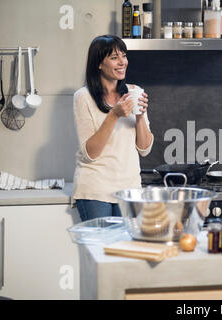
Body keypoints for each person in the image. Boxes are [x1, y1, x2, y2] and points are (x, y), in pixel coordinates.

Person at [72, 35, 154, 221]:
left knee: (127, 249)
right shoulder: (83, 97)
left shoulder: (134, 92)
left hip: (130, 190)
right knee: (101, 250)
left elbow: (145, 149)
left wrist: (140, 116)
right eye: (114, 57)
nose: (122, 62)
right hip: (95, 190)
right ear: (99, 64)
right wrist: (114, 115)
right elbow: (90, 153)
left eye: (123, 56)